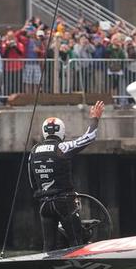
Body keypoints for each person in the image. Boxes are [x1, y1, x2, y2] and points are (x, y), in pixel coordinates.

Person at [29, 100, 105, 252]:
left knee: (49, 246)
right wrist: (95, 118)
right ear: (61, 132)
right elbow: (89, 137)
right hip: (64, 202)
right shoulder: (62, 147)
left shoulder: (33, 151)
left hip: (44, 205)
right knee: (76, 243)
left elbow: (32, 182)